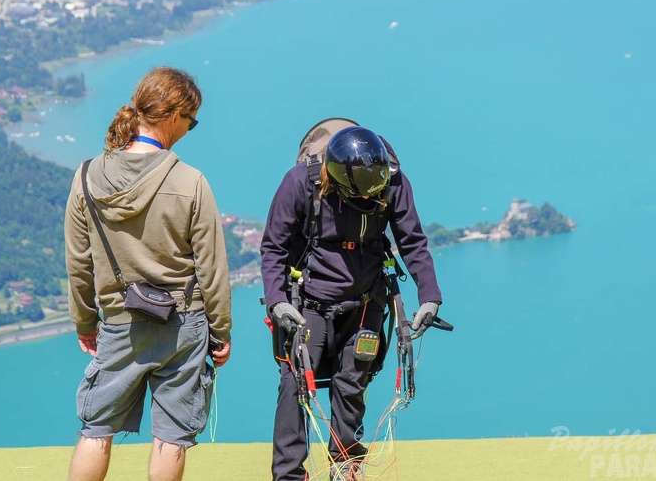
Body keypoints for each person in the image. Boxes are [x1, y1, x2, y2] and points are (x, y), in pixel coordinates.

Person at [64, 66, 232, 481]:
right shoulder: (191, 182)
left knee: (96, 428)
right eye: (191, 122)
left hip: (120, 322)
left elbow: (78, 262)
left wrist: (85, 322)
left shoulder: (87, 176)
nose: (189, 130)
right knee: (171, 436)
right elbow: (212, 270)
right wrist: (222, 333)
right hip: (184, 323)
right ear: (174, 116)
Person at [260, 124, 443, 481]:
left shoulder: (392, 181)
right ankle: (289, 476)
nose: (365, 201)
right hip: (307, 303)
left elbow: (412, 241)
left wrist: (429, 295)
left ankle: (346, 469)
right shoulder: (300, 183)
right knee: (295, 383)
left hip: (365, 301)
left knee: (352, 384)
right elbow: (273, 249)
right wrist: (277, 301)